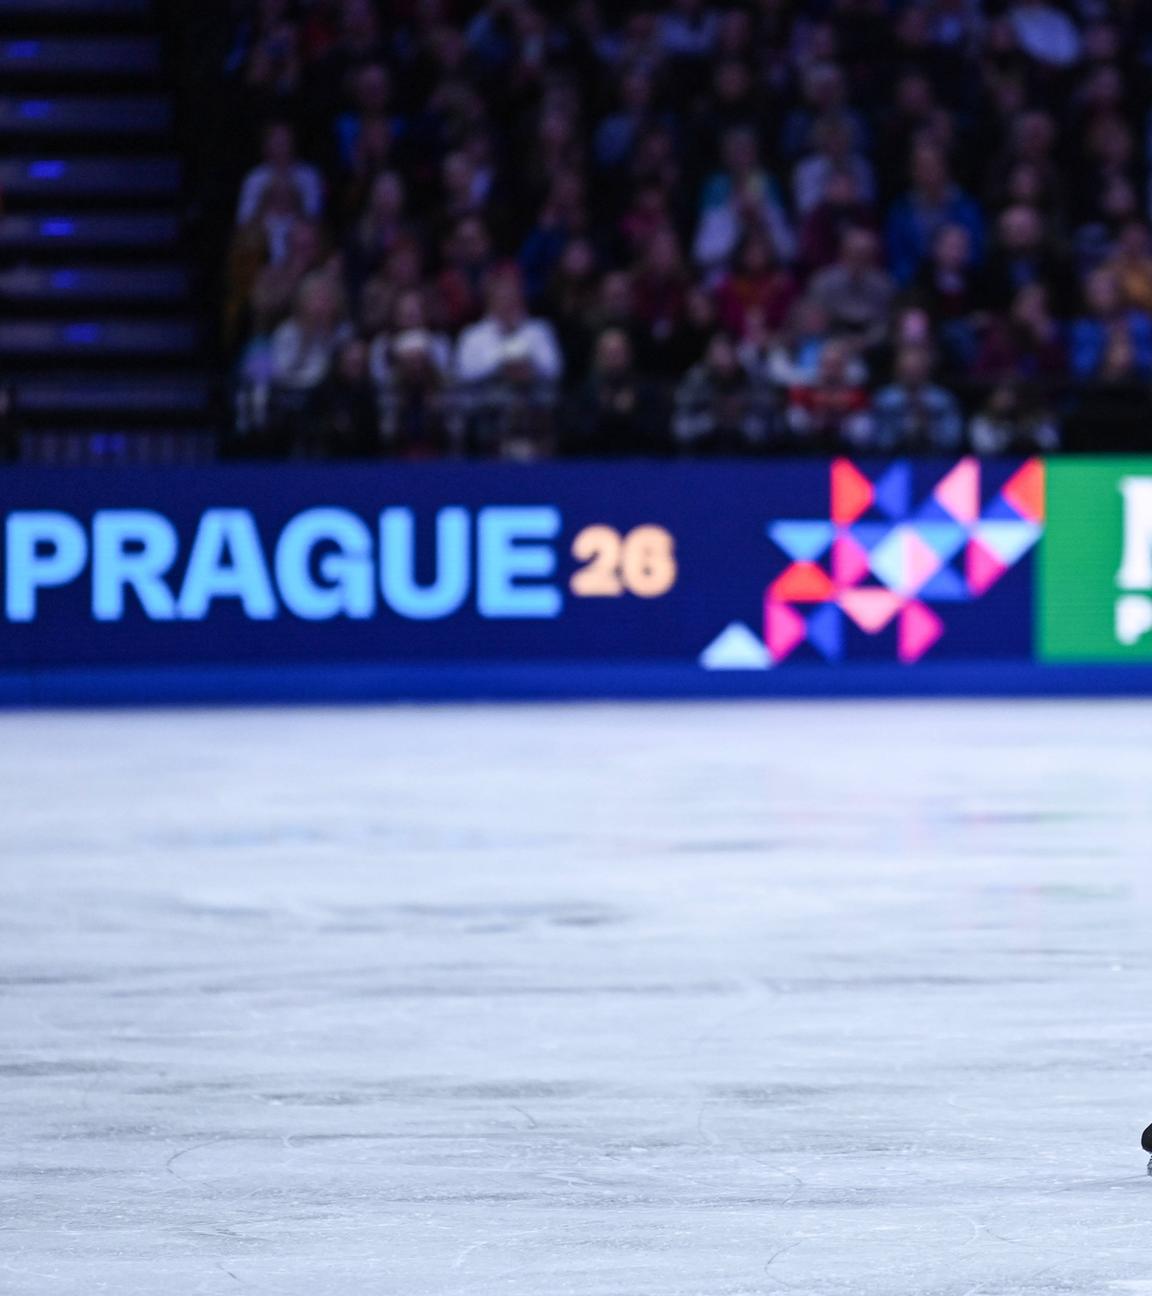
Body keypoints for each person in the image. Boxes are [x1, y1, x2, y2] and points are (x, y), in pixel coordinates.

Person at [565, 329, 667, 456]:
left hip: (639, 465)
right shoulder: (583, 393)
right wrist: (603, 411)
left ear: (630, 354)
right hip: (593, 466)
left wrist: (631, 414)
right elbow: (570, 437)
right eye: (608, 353)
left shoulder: (647, 391)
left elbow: (662, 435)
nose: (613, 359)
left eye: (618, 353)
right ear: (597, 356)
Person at [454, 270, 563, 386]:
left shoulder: (539, 329)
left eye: (512, 297)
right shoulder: (473, 334)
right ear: (490, 301)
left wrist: (531, 366)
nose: (507, 303)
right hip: (486, 400)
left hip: (536, 398)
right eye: (502, 298)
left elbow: (556, 370)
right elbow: (463, 374)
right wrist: (500, 366)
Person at [871, 345, 964, 452]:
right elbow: (879, 441)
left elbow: (953, 439)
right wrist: (904, 430)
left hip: (936, 459)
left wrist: (929, 429)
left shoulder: (943, 400)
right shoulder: (884, 400)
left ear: (926, 370)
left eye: (916, 369)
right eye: (908, 370)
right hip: (890, 458)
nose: (912, 374)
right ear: (897, 370)